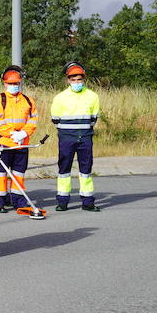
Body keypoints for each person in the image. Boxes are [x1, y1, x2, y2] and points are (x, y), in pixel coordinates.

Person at [50, 61, 101, 211]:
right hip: (66, 138)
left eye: (79, 79)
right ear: (68, 80)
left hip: (85, 138)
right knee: (64, 169)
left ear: (83, 79)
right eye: (73, 80)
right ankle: (62, 201)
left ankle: (88, 202)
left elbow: (94, 118)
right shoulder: (60, 97)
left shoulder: (92, 96)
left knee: (86, 170)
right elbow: (55, 119)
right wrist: (68, 132)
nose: (76, 82)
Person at [0, 65, 38, 212]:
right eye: (10, 84)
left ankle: (19, 200)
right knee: (1, 174)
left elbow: (33, 120)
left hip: (22, 144)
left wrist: (23, 133)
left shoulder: (28, 101)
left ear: (20, 83)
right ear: (5, 84)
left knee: (18, 174)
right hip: (4, 144)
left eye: (16, 83)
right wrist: (12, 134)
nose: (13, 86)